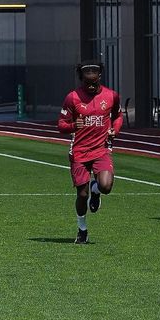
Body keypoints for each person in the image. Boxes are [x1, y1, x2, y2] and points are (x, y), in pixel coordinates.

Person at [57, 59, 122, 244]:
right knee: (82, 195)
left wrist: (115, 130)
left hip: (101, 149)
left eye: (94, 82)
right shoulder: (72, 97)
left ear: (100, 77)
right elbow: (61, 125)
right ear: (81, 80)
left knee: (106, 186)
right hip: (79, 151)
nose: (91, 86)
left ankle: (96, 189)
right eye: (87, 83)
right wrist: (72, 126)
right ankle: (82, 229)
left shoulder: (111, 96)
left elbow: (118, 116)